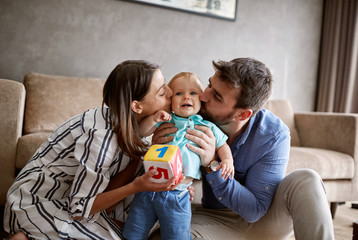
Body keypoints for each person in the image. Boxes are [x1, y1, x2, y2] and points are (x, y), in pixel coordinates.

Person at [152, 58, 335, 240]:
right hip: (214, 218)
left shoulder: (273, 135)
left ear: (242, 114)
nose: (203, 95)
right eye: (209, 85)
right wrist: (158, 148)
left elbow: (254, 210)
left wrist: (212, 164)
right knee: (163, 236)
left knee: (307, 179)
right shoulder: (191, 114)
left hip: (266, 220)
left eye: (216, 96)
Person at [3, 60, 186, 240]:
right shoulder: (100, 138)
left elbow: (109, 184)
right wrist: (135, 186)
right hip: (36, 202)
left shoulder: (131, 123)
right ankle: (27, 234)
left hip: (71, 199)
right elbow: (79, 209)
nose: (171, 92)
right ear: (137, 106)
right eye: (162, 92)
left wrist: (148, 155)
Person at [122, 72, 234, 240]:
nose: (186, 97)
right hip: (148, 187)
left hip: (178, 192)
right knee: (134, 231)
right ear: (170, 100)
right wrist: (153, 119)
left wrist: (227, 160)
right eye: (179, 93)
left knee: (177, 235)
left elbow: (222, 145)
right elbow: (140, 132)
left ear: (202, 99)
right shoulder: (165, 119)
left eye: (193, 93)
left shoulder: (207, 126)